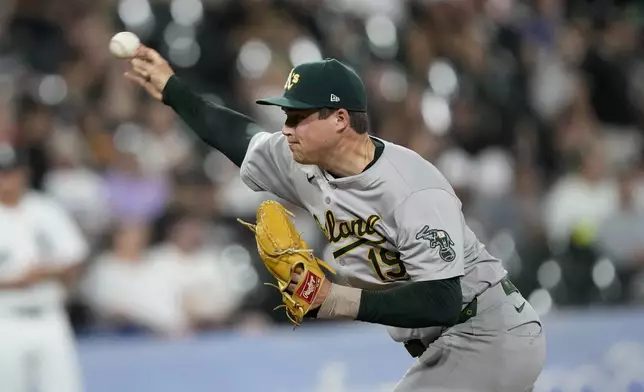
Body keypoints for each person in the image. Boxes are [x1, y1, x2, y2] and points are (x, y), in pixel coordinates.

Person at [125, 46, 546, 392]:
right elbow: (233, 134)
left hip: (486, 331)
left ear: (340, 119)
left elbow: (442, 300)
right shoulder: (302, 163)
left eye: (297, 117)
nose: (285, 129)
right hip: (452, 343)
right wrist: (171, 88)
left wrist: (334, 299)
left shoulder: (411, 188)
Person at [0, 144, 89, 392]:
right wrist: (16, 281)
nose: (7, 179)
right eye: (2, 173)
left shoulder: (46, 209)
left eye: (12, 171)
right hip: (5, 319)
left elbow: (75, 258)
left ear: (24, 173)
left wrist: (45, 273)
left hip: (50, 316)